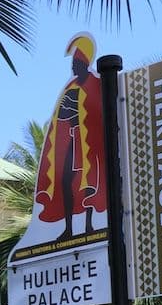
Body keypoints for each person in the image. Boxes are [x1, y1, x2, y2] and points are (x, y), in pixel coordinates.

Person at [34, 32, 107, 241]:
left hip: (89, 145)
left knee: (88, 183)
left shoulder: (94, 83)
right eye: (73, 63)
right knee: (65, 183)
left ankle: (89, 225)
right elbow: (61, 116)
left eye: (76, 62)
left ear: (84, 62)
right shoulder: (70, 87)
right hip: (70, 143)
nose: (73, 67)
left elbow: (96, 114)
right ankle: (68, 229)